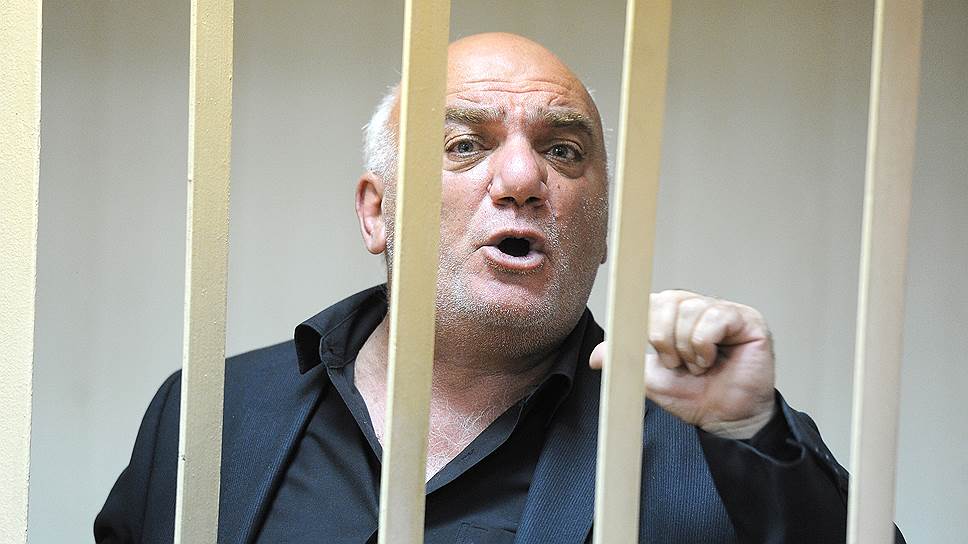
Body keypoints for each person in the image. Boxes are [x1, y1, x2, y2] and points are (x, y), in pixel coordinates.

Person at [95, 33, 904, 543]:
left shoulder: (712, 445)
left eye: (563, 151)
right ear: (377, 213)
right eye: (463, 145)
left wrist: (751, 432)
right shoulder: (212, 413)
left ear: (605, 229)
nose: (521, 177)